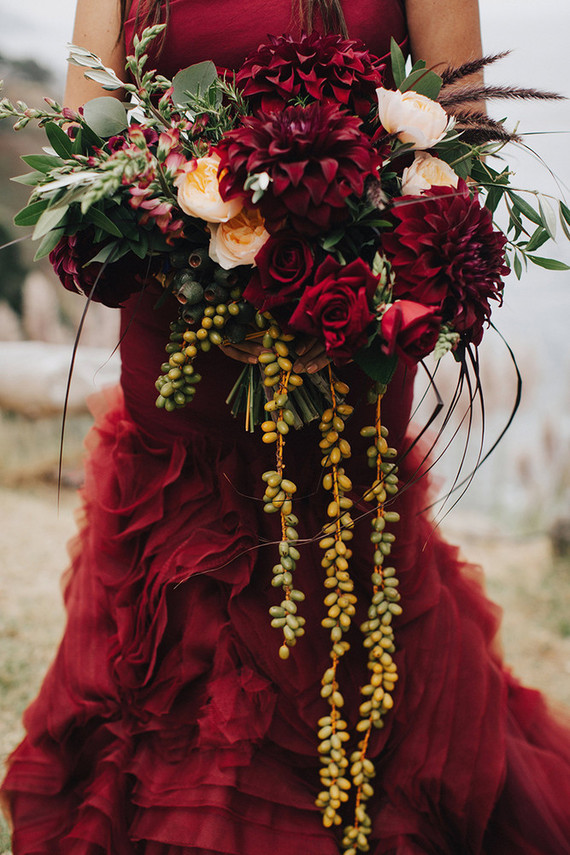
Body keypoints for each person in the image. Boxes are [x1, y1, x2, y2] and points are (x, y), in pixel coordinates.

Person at [2, 1, 570, 853]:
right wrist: (197, 264)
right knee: (177, 596)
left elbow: (459, 146)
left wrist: (342, 292)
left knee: (336, 581)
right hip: (182, 337)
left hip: (350, 337)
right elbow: (89, 145)